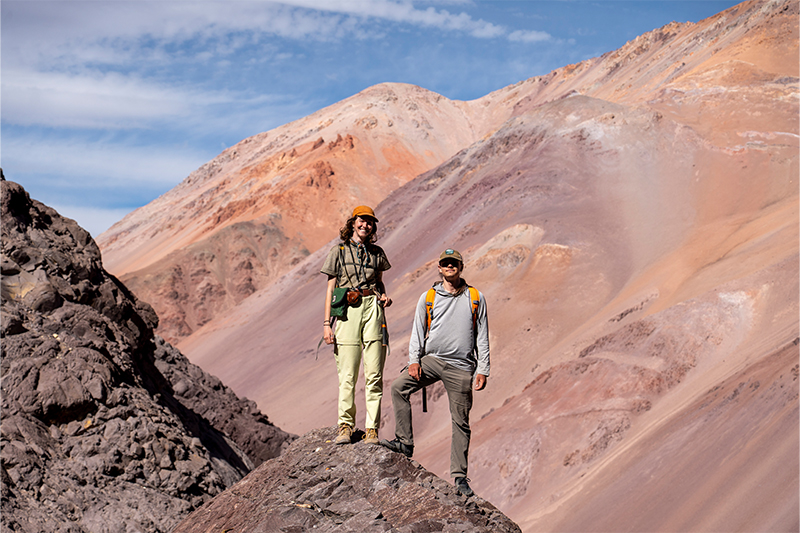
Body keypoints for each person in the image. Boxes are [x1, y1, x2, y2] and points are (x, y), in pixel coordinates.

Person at [380, 248, 489, 497]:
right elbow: (418, 330)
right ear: (439, 268)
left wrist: (483, 369)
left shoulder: (475, 297)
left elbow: (482, 335)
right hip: (432, 360)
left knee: (460, 421)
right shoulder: (428, 297)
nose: (450, 267)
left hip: (461, 366)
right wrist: (414, 361)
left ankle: (460, 477)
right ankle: (404, 443)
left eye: (454, 263)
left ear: (461, 267)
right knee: (398, 387)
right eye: (445, 263)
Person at [321, 206, 392, 446]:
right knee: (347, 374)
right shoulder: (338, 251)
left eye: (370, 222)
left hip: (372, 308)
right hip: (347, 311)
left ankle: (372, 429)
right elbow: (331, 289)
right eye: (362, 221)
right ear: (353, 223)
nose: (366, 225)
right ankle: (345, 426)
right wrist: (326, 324)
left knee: (374, 373)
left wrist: (384, 296)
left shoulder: (377, 253)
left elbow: (380, 284)